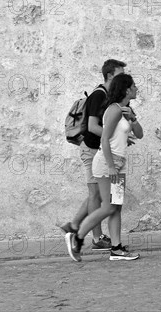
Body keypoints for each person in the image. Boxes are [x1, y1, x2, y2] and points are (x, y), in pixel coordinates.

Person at [66, 73, 143, 261]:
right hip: (108, 163)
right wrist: (111, 166)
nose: (136, 89)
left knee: (116, 208)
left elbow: (139, 134)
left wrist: (133, 118)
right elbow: (104, 140)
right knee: (109, 207)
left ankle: (116, 249)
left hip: (118, 163)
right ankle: (77, 236)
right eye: (133, 86)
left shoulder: (125, 110)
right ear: (126, 89)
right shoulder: (115, 110)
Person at [60, 59, 126, 250]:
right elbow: (92, 127)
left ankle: (73, 226)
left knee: (97, 195)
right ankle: (93, 237)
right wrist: (111, 134)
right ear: (109, 76)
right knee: (97, 195)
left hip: (98, 150)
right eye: (119, 75)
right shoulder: (99, 95)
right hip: (91, 150)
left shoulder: (107, 96)